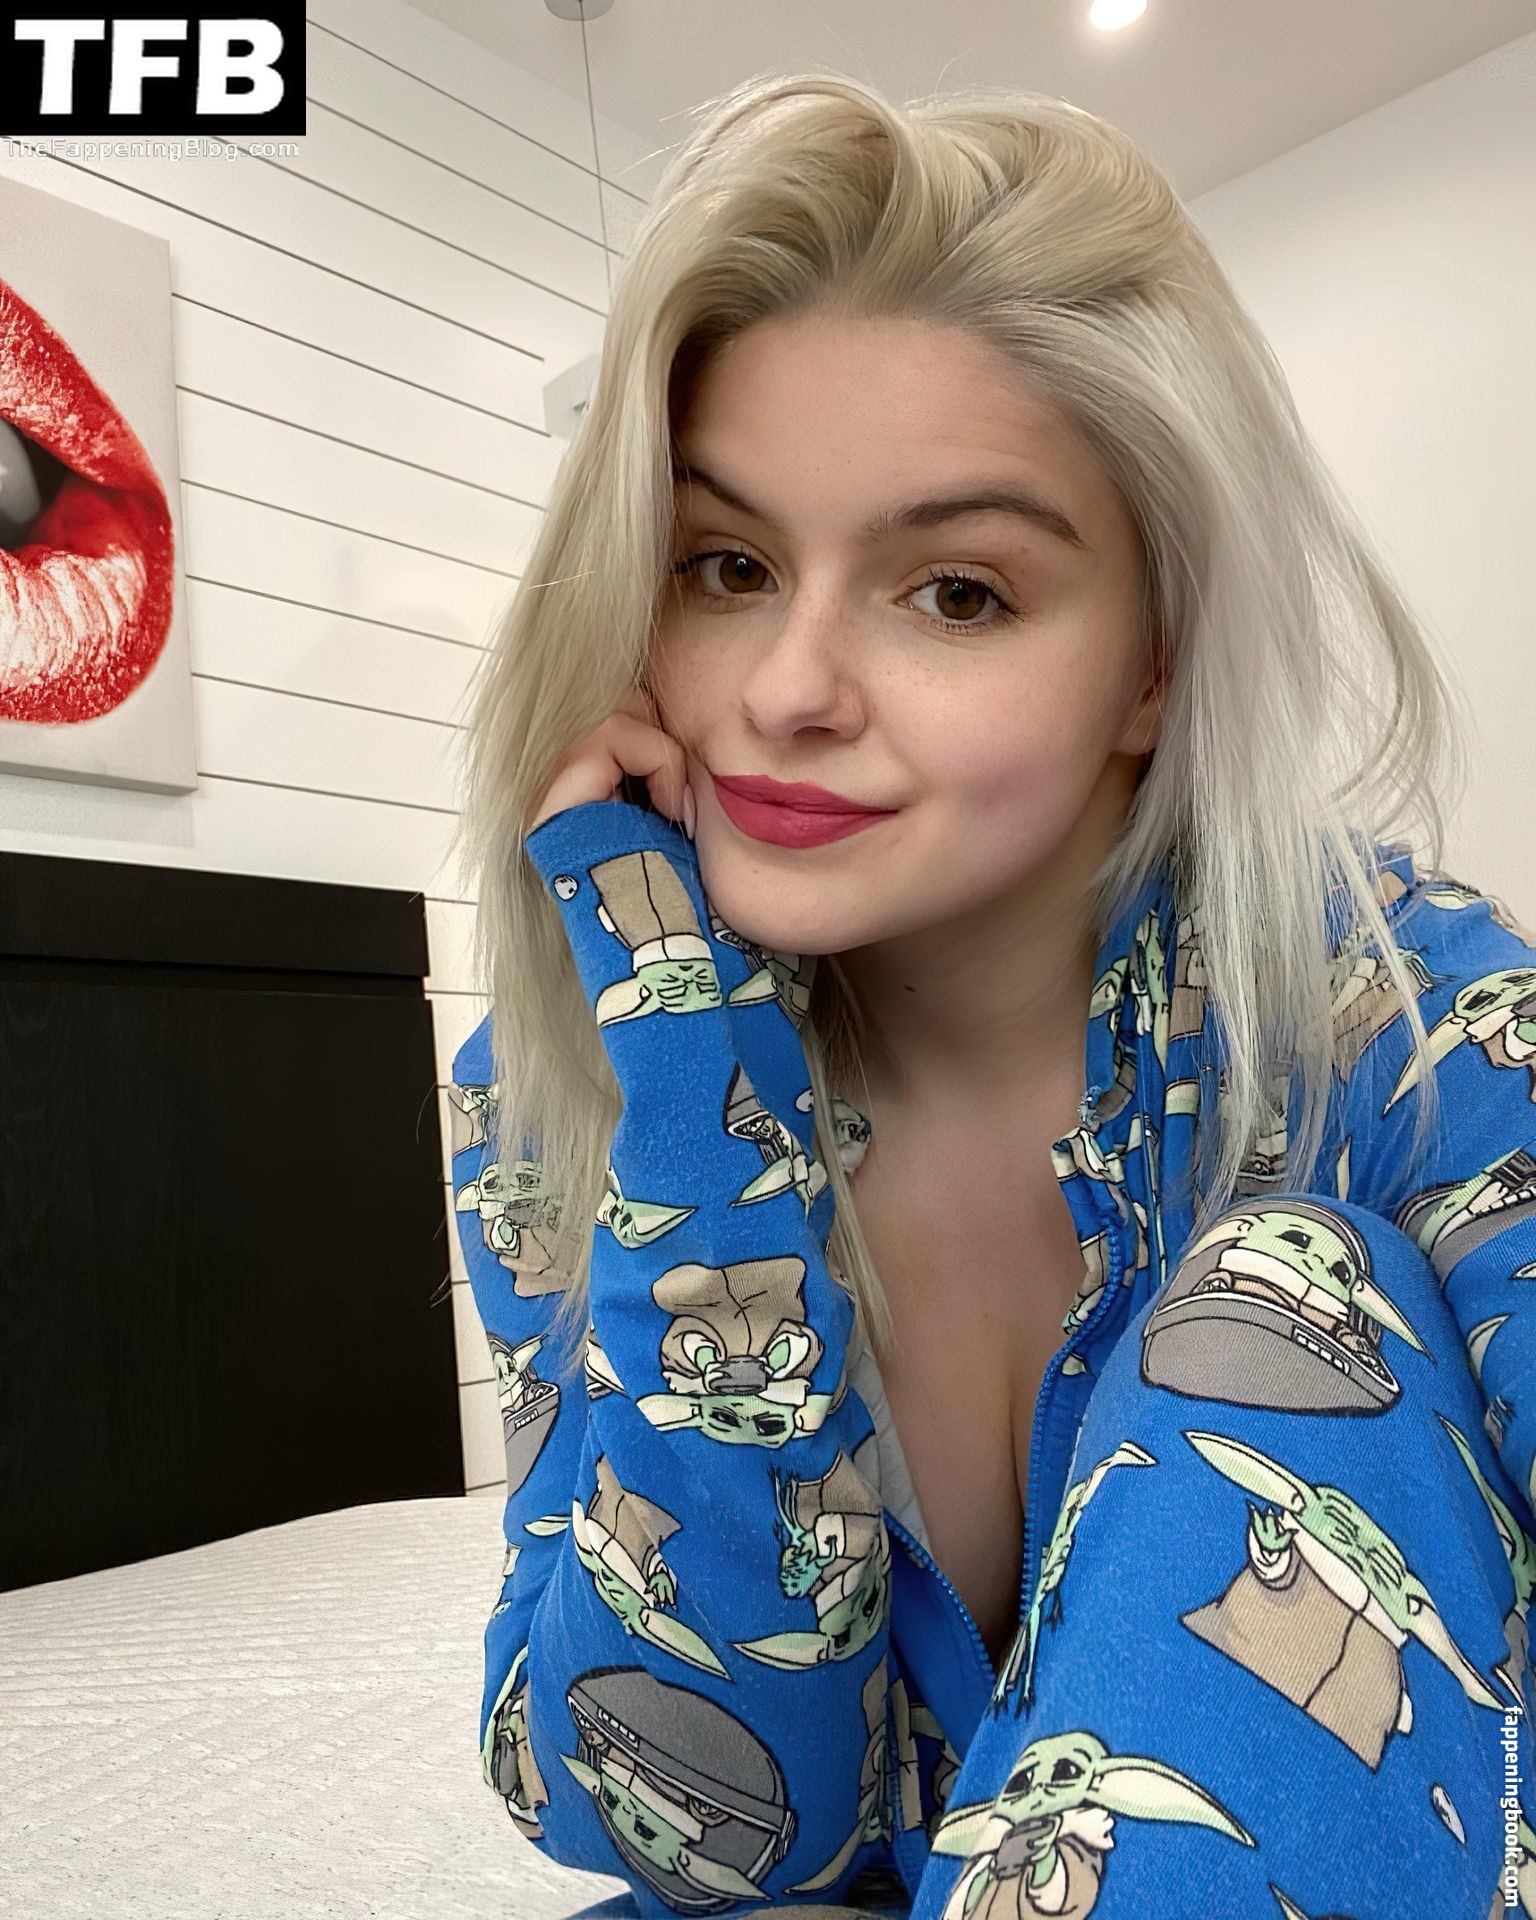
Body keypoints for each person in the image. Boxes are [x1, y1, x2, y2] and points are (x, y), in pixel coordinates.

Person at [446, 70, 1536, 1920]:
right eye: (727, 566)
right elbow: (701, 1833)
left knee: (1295, 1284)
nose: (788, 688)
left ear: (1151, 666)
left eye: (954, 593)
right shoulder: (568, 1084)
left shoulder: (1408, 1021)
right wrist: (701, 1123)